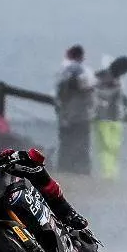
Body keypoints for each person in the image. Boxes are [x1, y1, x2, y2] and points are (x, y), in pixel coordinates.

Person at [55, 45, 97, 174]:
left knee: (65, 144)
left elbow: (58, 95)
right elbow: (90, 89)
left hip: (65, 115)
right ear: (81, 57)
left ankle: (64, 168)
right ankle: (82, 170)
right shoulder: (85, 71)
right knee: (82, 144)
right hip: (82, 115)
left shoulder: (62, 70)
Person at [93, 56, 127, 181]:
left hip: (116, 117)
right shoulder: (102, 76)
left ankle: (113, 173)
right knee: (105, 146)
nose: (124, 74)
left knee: (114, 147)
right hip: (103, 116)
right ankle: (106, 173)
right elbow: (96, 93)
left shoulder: (117, 79)